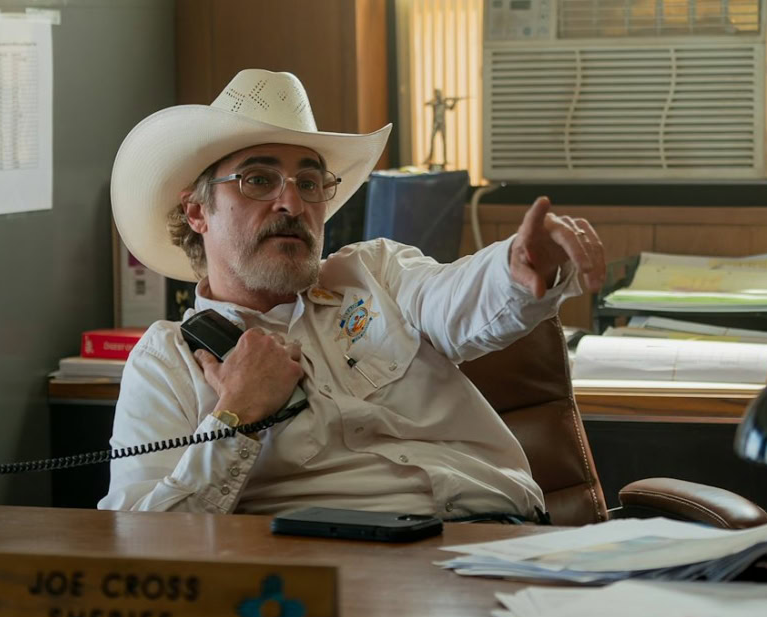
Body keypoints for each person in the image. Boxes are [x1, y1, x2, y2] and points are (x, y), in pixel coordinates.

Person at [99, 69, 605, 521]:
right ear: (197, 213)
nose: (292, 202)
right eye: (258, 179)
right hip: (339, 576)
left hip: (502, 537)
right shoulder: (167, 360)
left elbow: (455, 298)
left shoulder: (375, 273)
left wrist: (516, 265)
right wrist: (237, 415)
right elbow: (142, 541)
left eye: (310, 182)